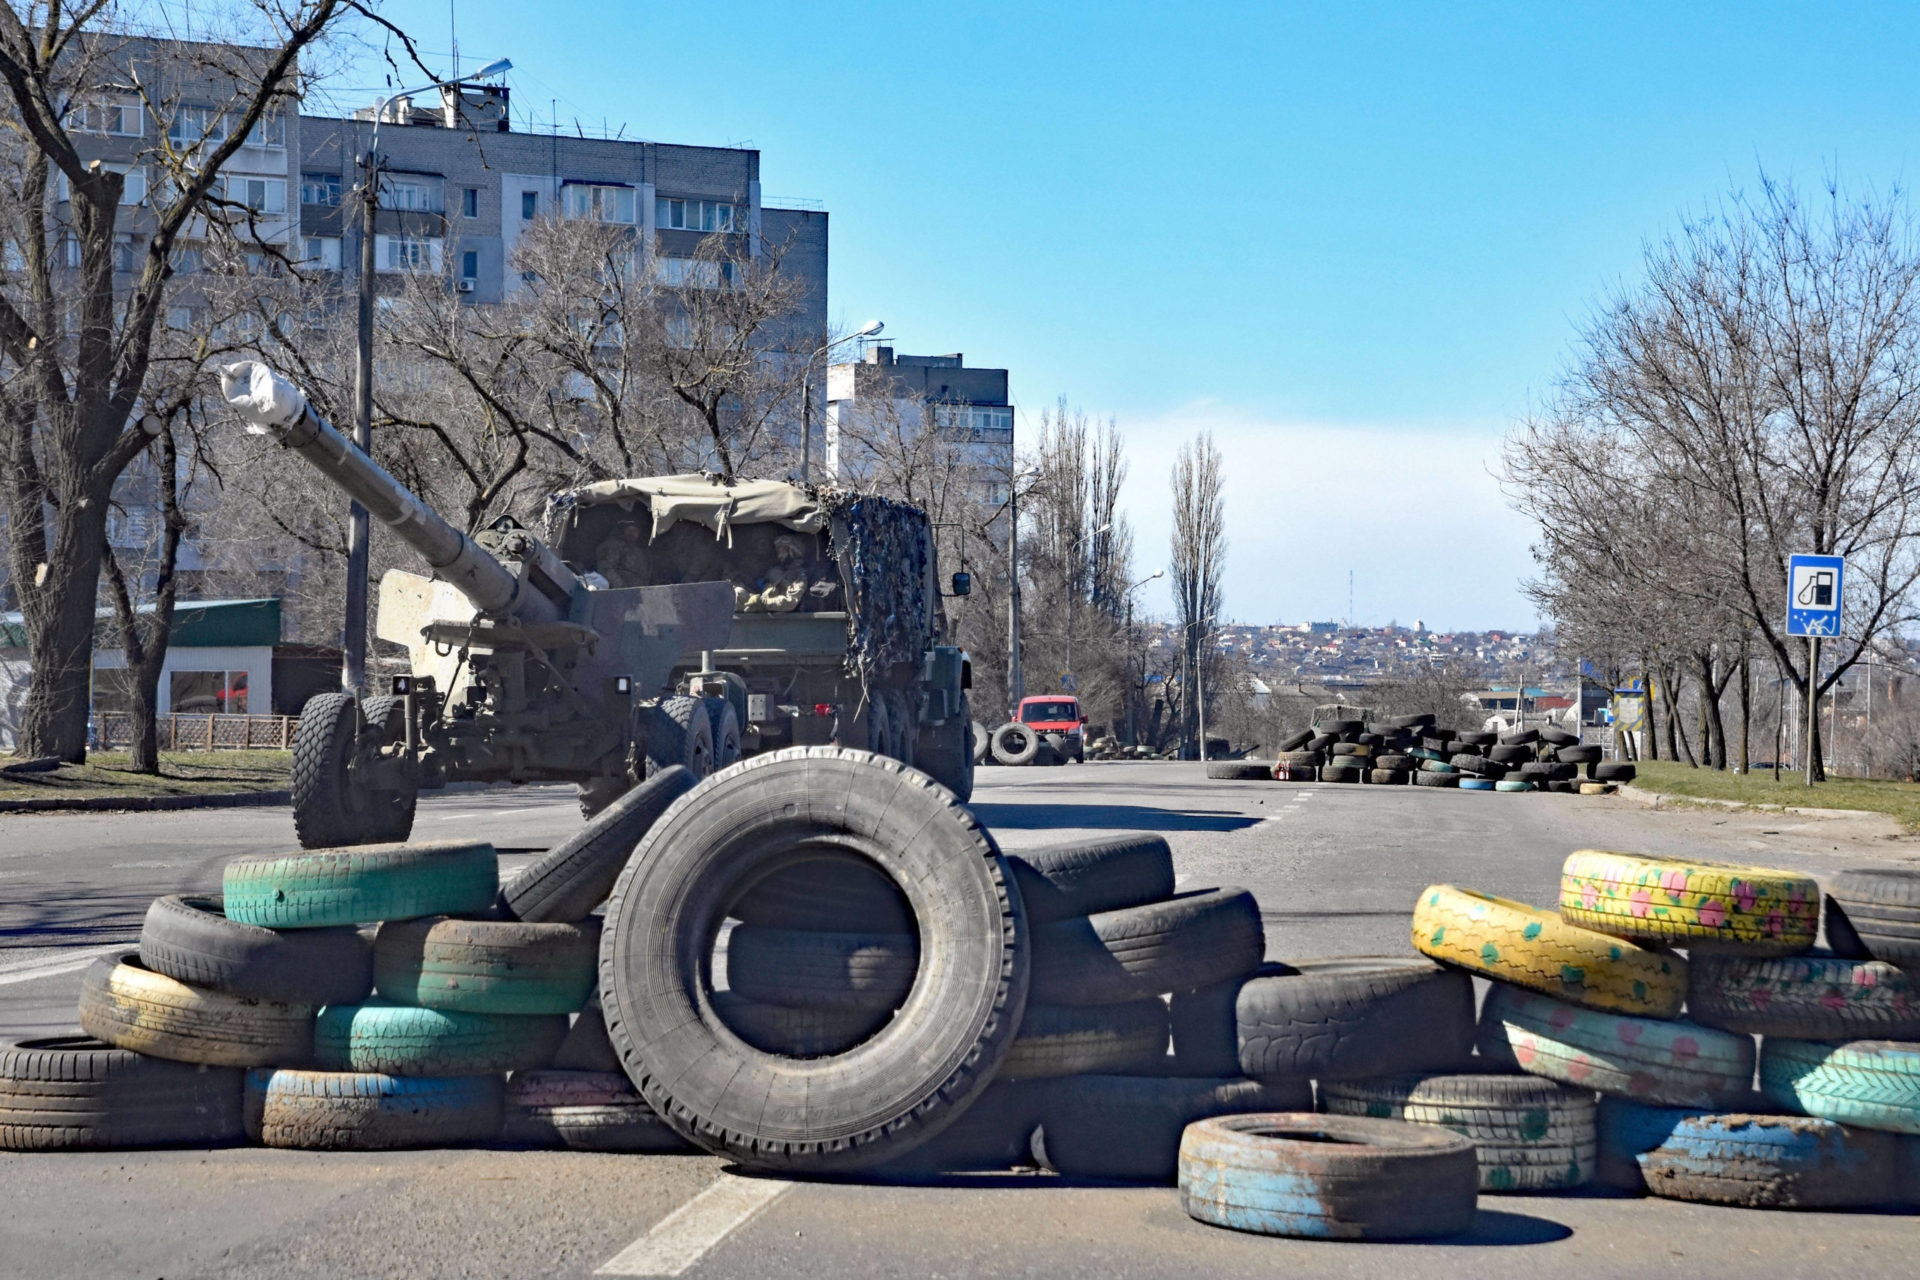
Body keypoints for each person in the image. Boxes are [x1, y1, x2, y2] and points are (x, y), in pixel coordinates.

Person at [735, 535, 810, 613]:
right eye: (778, 552)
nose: (779, 556)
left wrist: (763, 602)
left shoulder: (799, 575)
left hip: (780, 615)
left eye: (782, 551)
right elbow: (758, 588)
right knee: (738, 592)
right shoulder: (775, 571)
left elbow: (791, 602)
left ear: (793, 552)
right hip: (762, 609)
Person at [593, 522, 648, 587]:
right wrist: (621, 586)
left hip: (639, 589)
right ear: (623, 531)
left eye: (635, 531)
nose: (632, 533)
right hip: (620, 589)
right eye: (629, 530)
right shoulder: (612, 546)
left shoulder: (639, 551)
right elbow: (605, 568)